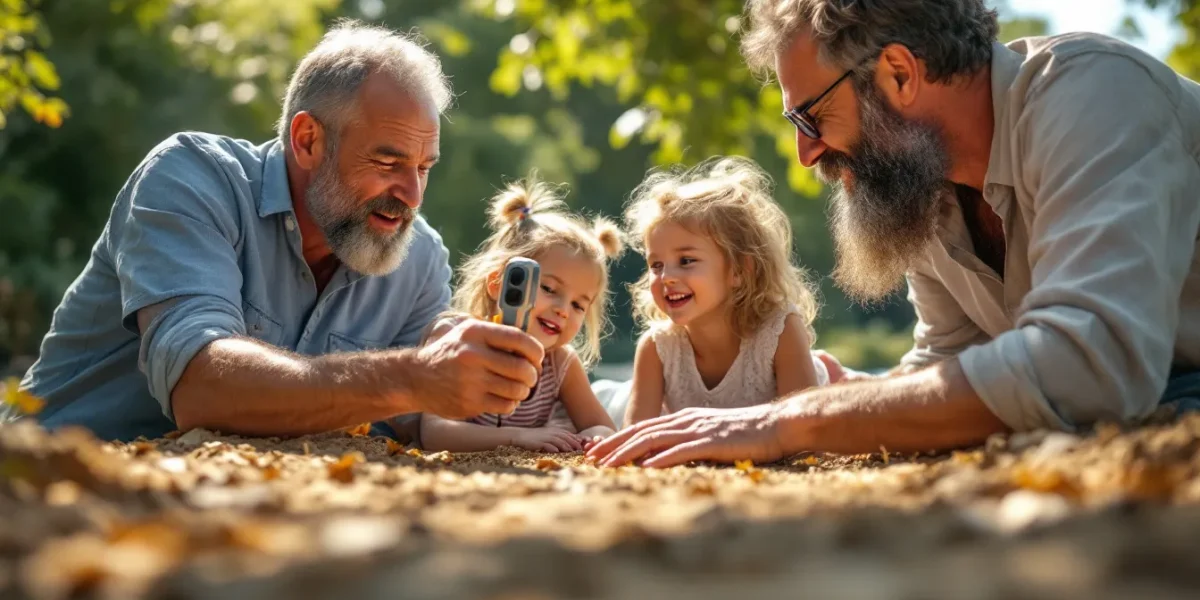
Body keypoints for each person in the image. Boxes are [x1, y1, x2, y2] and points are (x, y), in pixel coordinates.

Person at [588, 0, 1200, 468]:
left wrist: (797, 419)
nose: (805, 152)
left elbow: (1088, 362)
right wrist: (871, 393)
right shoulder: (922, 180)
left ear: (900, 74)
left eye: (811, 115)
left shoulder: (1095, 94)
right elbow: (950, 357)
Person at [16, 20, 544, 442]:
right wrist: (412, 376)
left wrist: (507, 383)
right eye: (388, 162)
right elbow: (199, 387)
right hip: (44, 491)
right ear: (308, 140)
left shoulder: (420, 259)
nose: (412, 194)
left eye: (424, 168)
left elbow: (419, 419)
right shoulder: (190, 178)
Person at [620, 156, 828, 427]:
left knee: (841, 383)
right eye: (656, 265)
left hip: (819, 394)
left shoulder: (780, 332)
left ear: (739, 270)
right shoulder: (656, 347)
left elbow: (803, 430)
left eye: (686, 261)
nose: (666, 277)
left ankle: (830, 367)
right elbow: (635, 432)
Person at [419, 176, 622, 452]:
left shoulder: (560, 363)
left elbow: (601, 426)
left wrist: (595, 437)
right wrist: (517, 437)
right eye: (549, 288)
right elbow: (435, 433)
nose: (563, 310)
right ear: (498, 283)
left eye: (578, 305)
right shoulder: (454, 338)